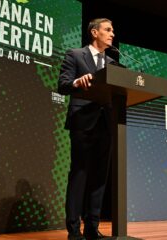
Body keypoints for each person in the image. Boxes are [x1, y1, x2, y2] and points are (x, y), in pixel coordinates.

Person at [57, 18, 115, 240]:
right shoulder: (75, 55)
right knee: (79, 174)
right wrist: (76, 82)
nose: (112, 34)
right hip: (83, 121)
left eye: (112, 31)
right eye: (108, 30)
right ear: (94, 32)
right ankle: (74, 231)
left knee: (100, 177)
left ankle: (92, 227)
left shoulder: (112, 63)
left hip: (106, 123)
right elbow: (62, 84)